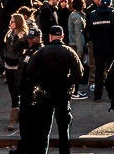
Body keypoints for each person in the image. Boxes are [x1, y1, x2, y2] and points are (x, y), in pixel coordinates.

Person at [19, 25, 84, 154]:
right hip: (63, 94)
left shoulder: (41, 52)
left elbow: (30, 72)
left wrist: (40, 84)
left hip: (45, 94)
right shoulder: (68, 51)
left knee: (45, 129)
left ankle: (43, 151)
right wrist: (69, 84)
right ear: (62, 36)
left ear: (49, 36)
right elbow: (79, 72)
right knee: (63, 129)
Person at [86, 0, 114, 101]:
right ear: (110, 3)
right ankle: (112, 96)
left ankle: (97, 96)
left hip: (98, 47)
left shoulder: (93, 14)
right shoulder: (112, 14)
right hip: (110, 46)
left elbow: (89, 30)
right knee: (111, 72)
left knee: (98, 72)